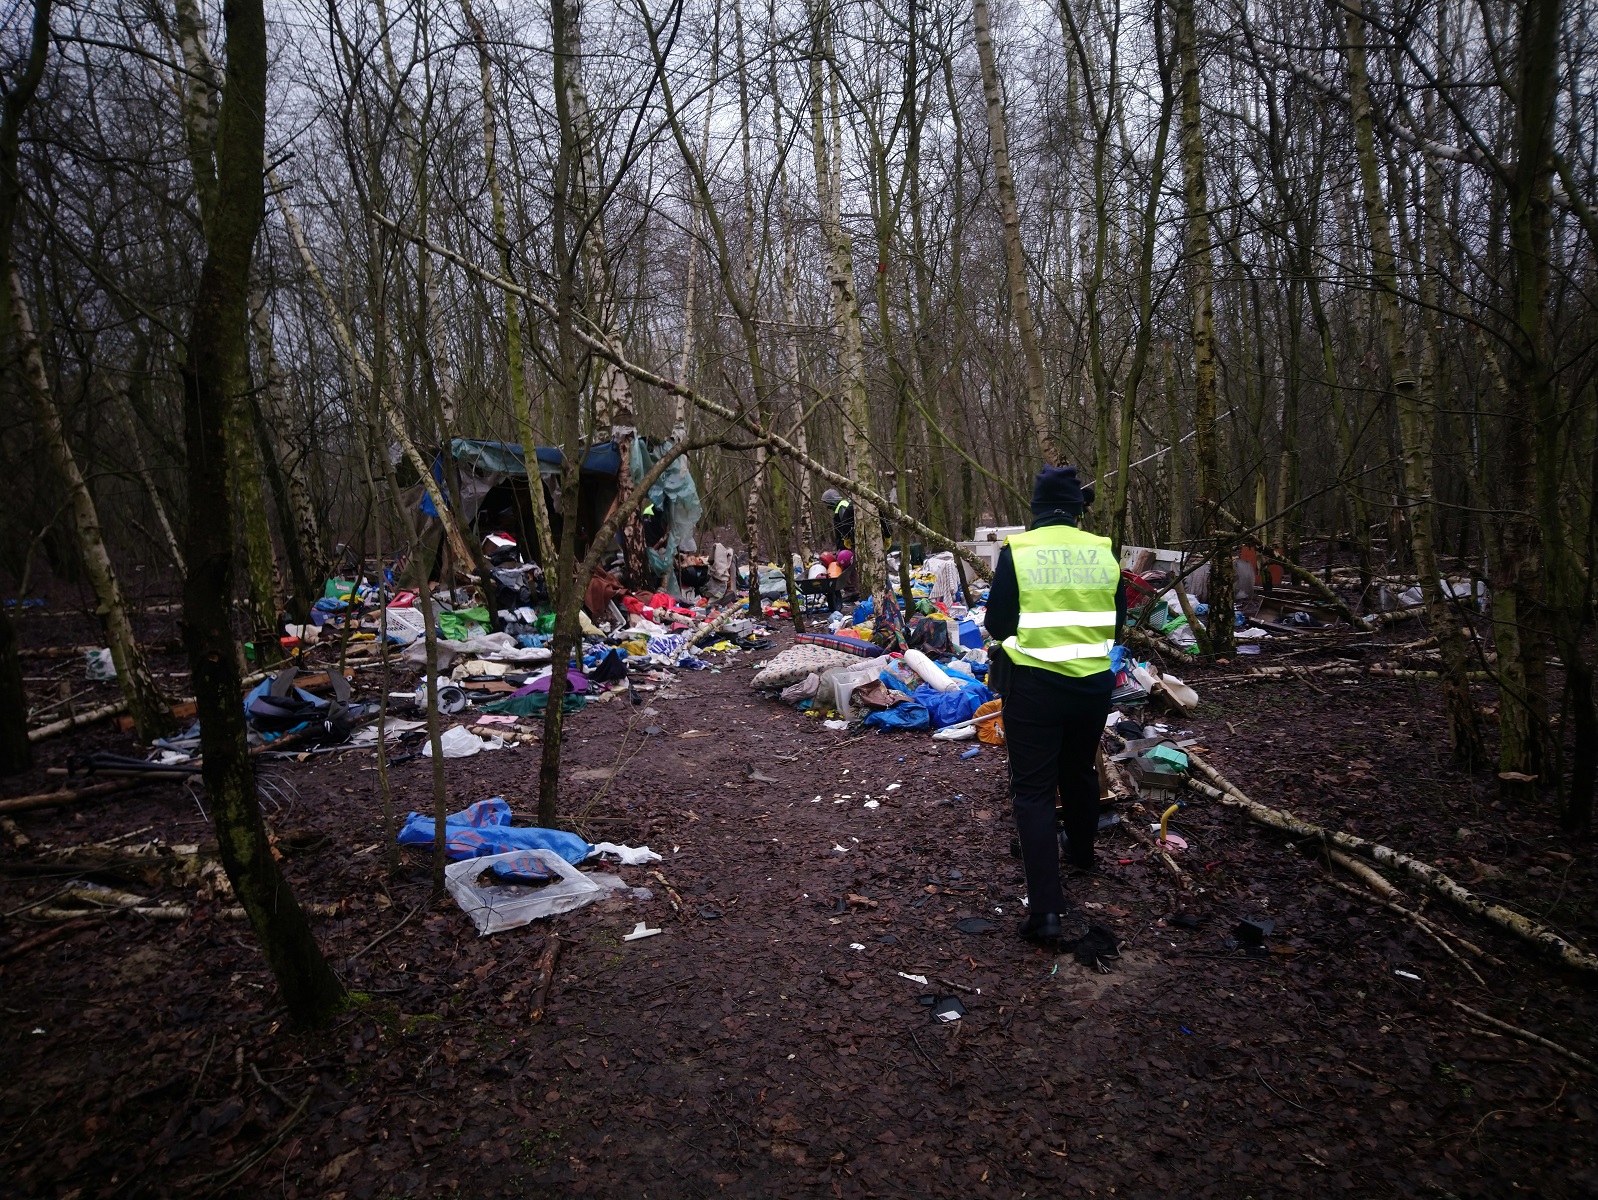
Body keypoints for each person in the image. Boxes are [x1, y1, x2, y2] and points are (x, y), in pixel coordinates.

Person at [984, 465, 1126, 943]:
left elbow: (997, 624)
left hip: (1034, 685)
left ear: (1036, 510)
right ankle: (1082, 853)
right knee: (1080, 770)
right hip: (1092, 684)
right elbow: (1117, 625)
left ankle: (1046, 913)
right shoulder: (1103, 551)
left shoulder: (1019, 551)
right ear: (1080, 512)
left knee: (1033, 791)